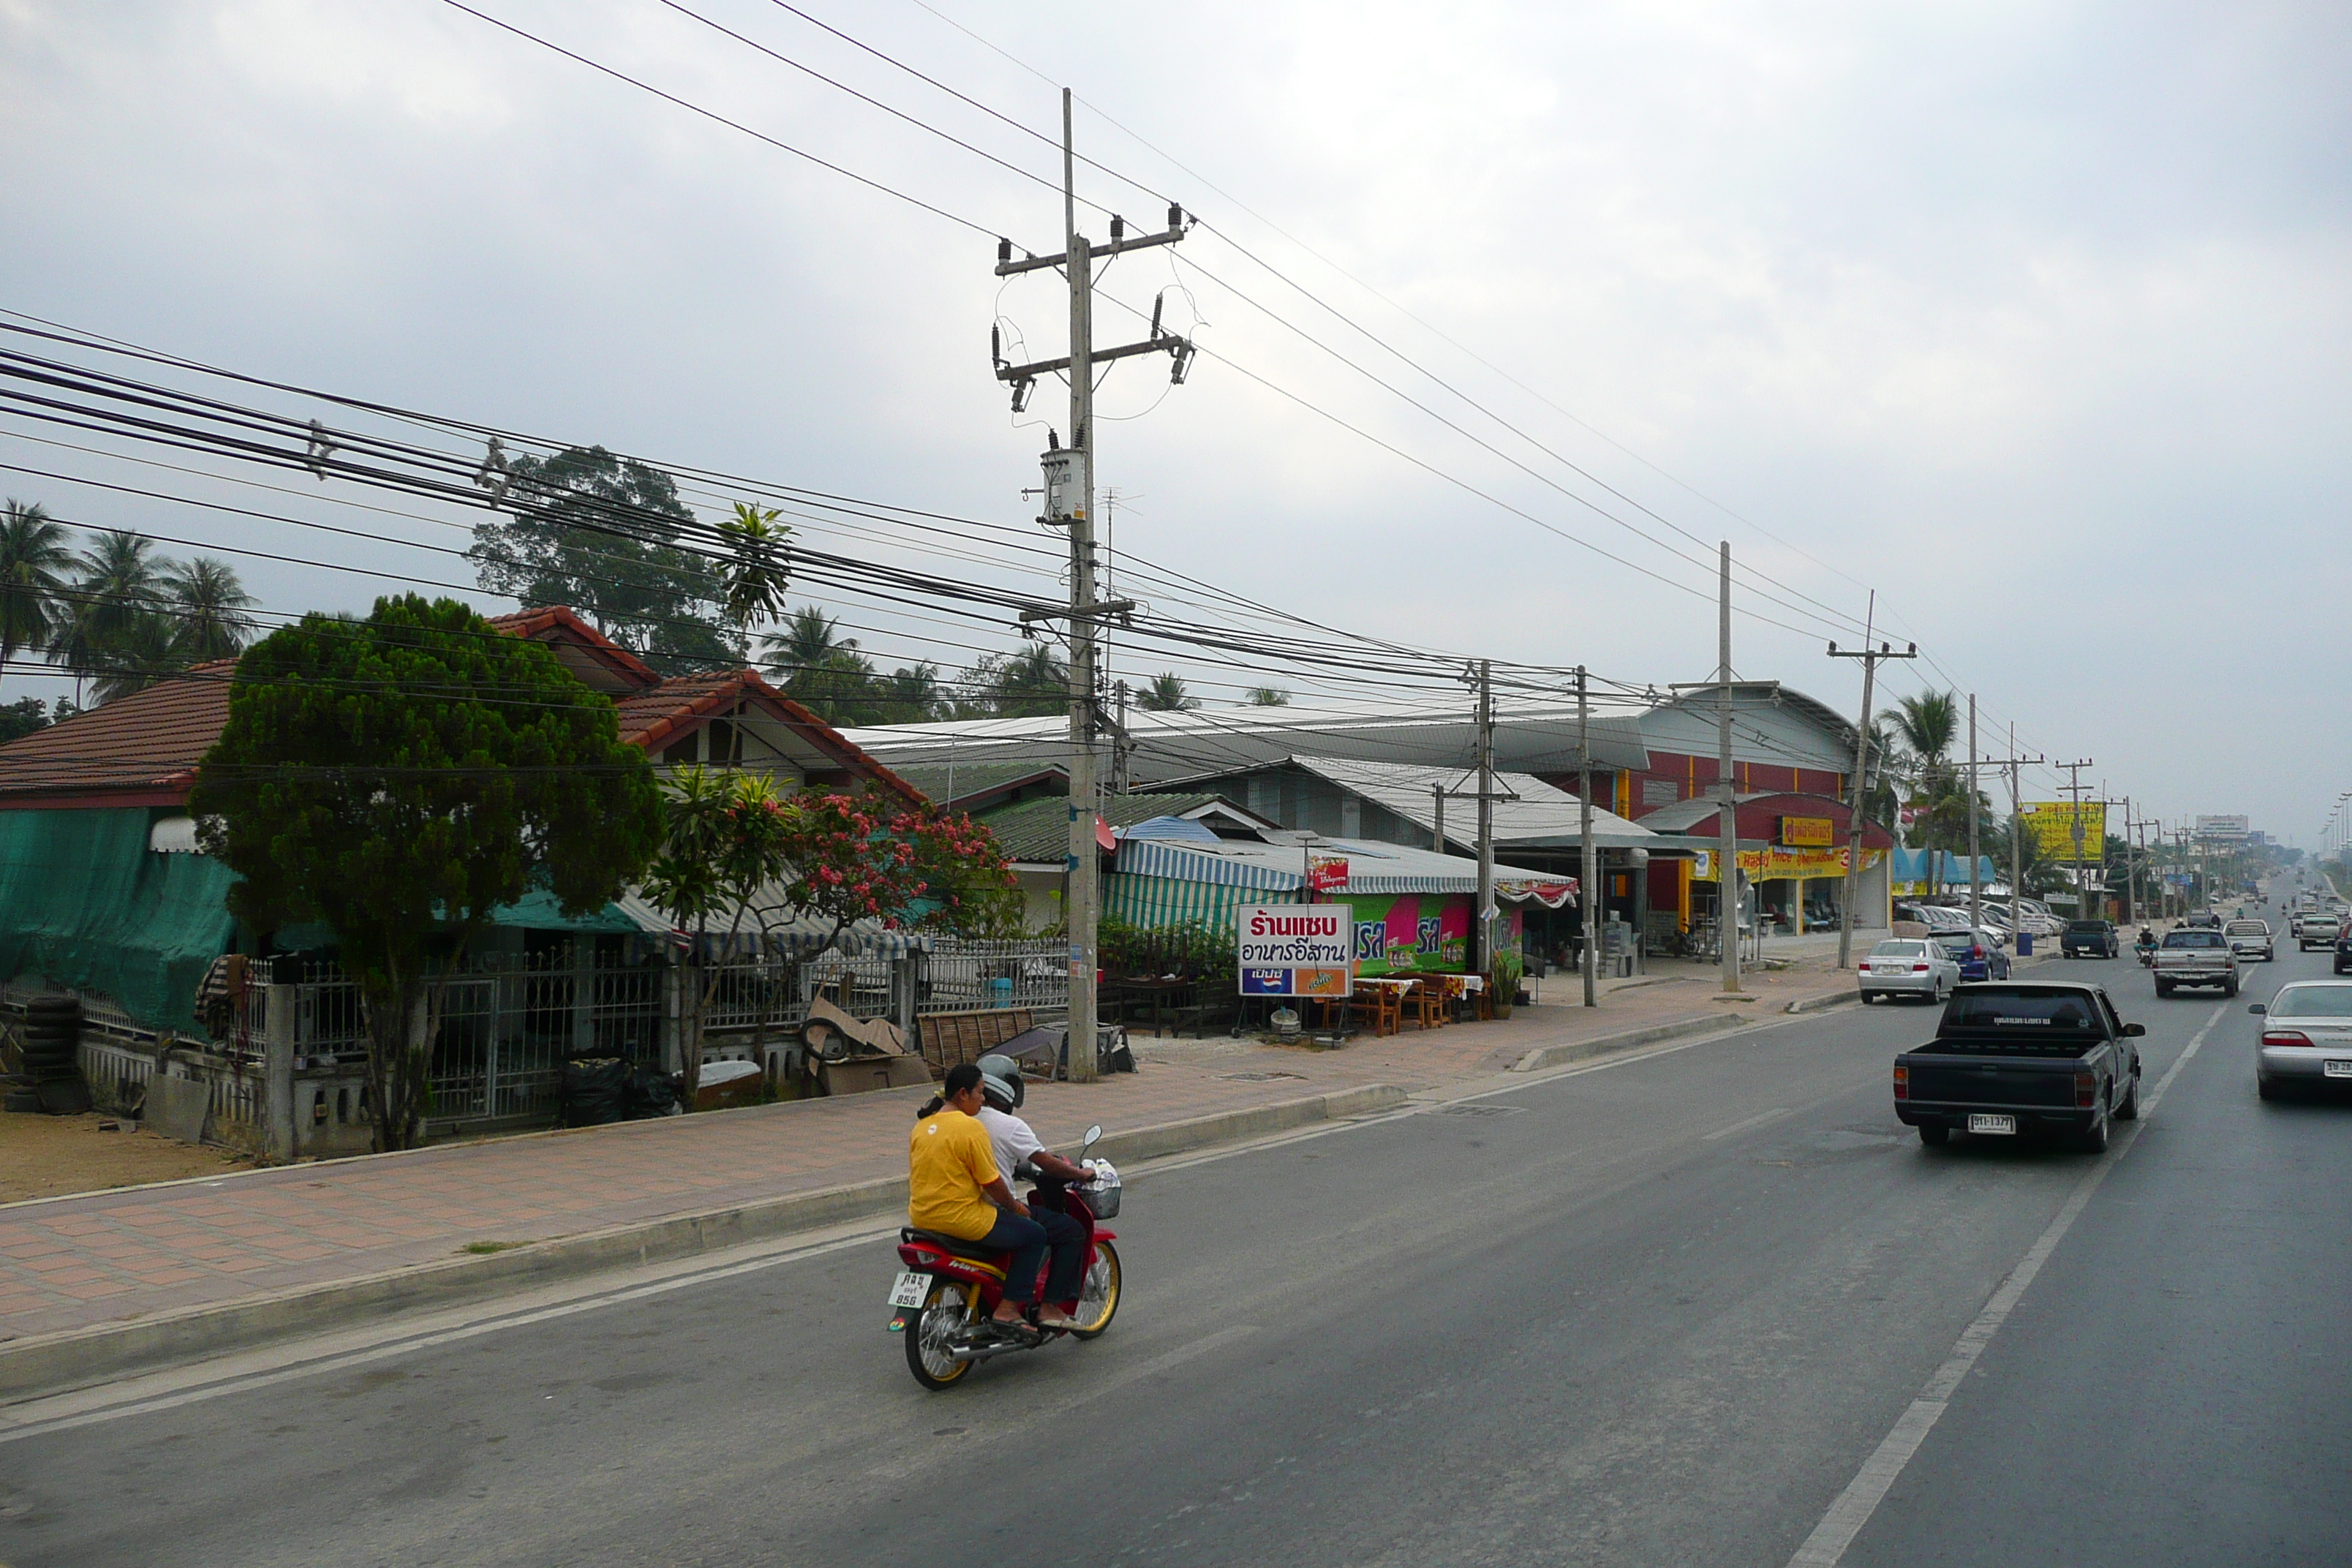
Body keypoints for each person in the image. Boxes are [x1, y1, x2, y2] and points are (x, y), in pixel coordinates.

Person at [907, 1063, 1053, 1336]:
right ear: (963, 1094)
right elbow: (993, 1184)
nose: (984, 1099)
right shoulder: (970, 1128)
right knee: (1034, 1234)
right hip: (962, 1220)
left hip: (922, 1218)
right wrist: (1018, 1208)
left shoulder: (922, 1126)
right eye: (980, 1092)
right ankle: (1008, 1310)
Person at [973, 1055, 1090, 1330]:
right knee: (1067, 1230)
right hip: (989, 1211)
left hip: (951, 1207)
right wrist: (1080, 1174)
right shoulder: (1009, 1125)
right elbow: (1046, 1163)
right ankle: (1042, 1307)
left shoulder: (955, 1119)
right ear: (1007, 1088)